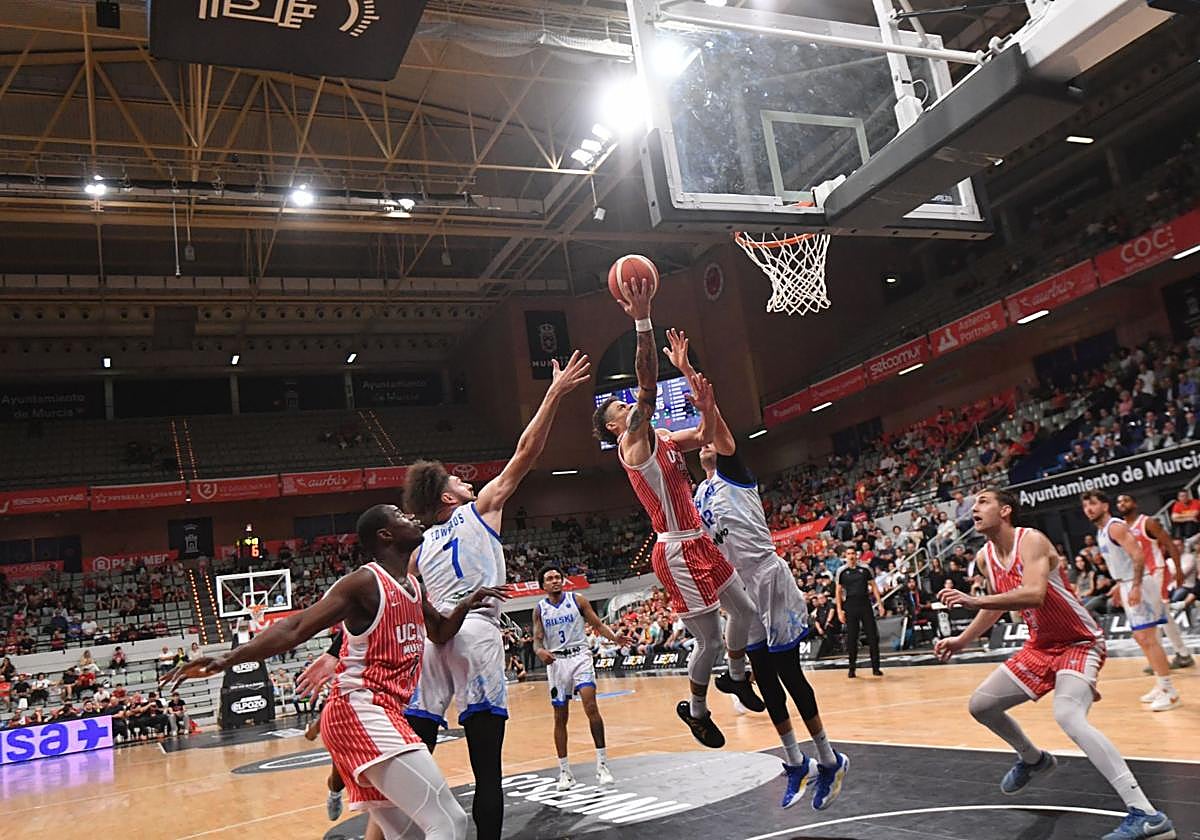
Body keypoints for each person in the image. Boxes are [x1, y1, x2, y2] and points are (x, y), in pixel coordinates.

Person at [163, 504, 507, 840]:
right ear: (385, 535)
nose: (413, 517)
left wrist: (464, 604)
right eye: (402, 516)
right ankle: (334, 787)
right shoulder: (364, 583)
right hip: (360, 710)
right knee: (448, 822)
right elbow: (295, 627)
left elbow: (442, 633)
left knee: (412, 833)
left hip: (379, 712)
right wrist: (227, 658)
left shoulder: (414, 588)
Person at [401, 350, 590, 840]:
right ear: (448, 498)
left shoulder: (417, 548)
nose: (466, 481)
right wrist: (554, 393)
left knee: (415, 758)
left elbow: (411, 603)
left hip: (430, 645)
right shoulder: (479, 508)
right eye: (456, 481)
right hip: (476, 633)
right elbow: (527, 451)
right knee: (487, 768)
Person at [936, 489, 1175, 840]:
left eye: (983, 501)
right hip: (1040, 645)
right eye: (973, 504)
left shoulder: (1030, 540)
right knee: (981, 705)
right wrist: (962, 640)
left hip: (1079, 641)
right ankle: (1034, 759)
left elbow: (1035, 593)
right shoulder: (986, 556)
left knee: (1068, 716)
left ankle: (1147, 814)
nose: (975, 508)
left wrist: (973, 599)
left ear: (1005, 510)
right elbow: (998, 605)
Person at [676, 328, 847, 810]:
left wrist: (690, 376)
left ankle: (829, 758)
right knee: (767, 682)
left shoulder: (735, 472)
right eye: (701, 441)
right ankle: (795, 763)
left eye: (710, 438)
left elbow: (721, 431)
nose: (706, 442)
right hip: (740, 593)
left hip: (770, 580)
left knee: (791, 675)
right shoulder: (695, 496)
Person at [592, 278, 761, 749]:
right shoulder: (633, 444)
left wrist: (701, 394)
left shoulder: (663, 438)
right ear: (613, 426)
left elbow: (710, 435)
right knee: (707, 638)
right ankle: (699, 710)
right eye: (620, 407)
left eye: (629, 405)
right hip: (675, 551)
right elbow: (646, 385)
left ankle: (735, 676)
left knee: (744, 611)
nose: (629, 405)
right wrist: (642, 320)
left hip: (699, 538)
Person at [1082, 491, 1181, 711]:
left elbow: (1137, 555)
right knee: (1141, 637)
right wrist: (1120, 585)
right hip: (1127, 583)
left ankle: (1169, 691)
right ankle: (1160, 682)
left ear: (1105, 506)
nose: (1089, 509)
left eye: (1093, 504)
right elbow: (1123, 562)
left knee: (1148, 638)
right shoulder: (1100, 532)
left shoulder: (1115, 527)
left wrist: (1135, 586)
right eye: (1086, 506)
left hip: (1140, 583)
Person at [532, 563, 625, 791]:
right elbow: (536, 640)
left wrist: (615, 639)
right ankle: (565, 771)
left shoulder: (578, 600)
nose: (555, 580)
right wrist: (539, 651)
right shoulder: (540, 609)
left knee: (591, 706)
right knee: (560, 716)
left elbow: (598, 625)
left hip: (580, 656)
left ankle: (602, 766)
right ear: (543, 585)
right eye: (550, 578)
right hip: (557, 662)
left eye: (557, 577)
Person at [1117, 494, 1194, 672]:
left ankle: (1162, 660)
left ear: (1134, 503)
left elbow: (1170, 544)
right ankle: (1181, 655)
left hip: (1156, 571)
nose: (1122, 504)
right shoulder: (1120, 528)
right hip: (1137, 576)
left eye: (1126, 500)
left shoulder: (1147, 522)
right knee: (1162, 615)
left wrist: (1179, 570)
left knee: (1154, 616)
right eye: (1119, 502)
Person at [835, 549, 884, 678]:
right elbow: (838, 591)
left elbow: (873, 586)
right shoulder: (841, 571)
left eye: (853, 553)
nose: (851, 556)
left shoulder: (865, 569)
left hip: (865, 604)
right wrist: (839, 610)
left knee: (872, 636)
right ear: (845, 556)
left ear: (856, 556)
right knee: (852, 637)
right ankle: (852, 668)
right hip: (850, 605)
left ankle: (876, 667)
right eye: (848, 554)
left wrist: (880, 604)